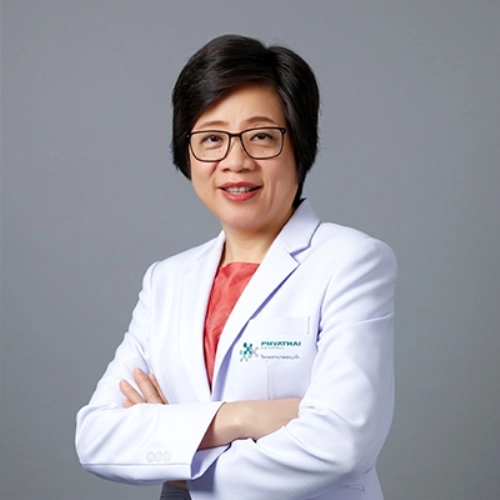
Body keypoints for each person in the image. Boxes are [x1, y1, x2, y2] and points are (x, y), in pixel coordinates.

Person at [75, 34, 397, 500]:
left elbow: (341, 443)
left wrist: (178, 458)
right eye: (212, 139)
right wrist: (242, 417)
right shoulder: (167, 280)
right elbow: (97, 437)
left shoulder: (351, 261)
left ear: (299, 145)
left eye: (261, 136)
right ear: (187, 153)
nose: (236, 161)